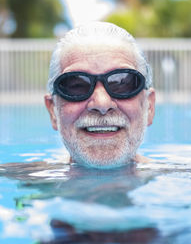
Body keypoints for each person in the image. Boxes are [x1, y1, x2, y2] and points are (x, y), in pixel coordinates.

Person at [44, 21, 155, 169]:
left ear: (149, 107)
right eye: (77, 86)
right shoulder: (21, 180)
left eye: (122, 83)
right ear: (53, 112)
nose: (102, 104)